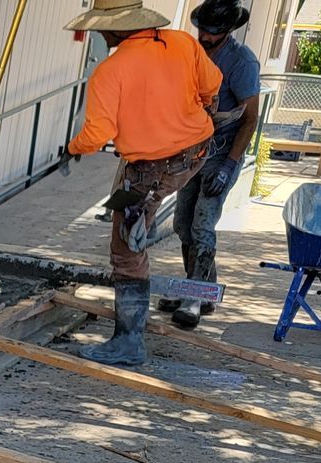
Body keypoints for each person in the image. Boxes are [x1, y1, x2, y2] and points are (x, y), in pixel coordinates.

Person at [62, 0, 221, 365]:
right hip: (195, 151)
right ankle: (125, 227)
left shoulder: (110, 70)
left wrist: (71, 149)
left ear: (119, 28)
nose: (99, 33)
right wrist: (200, 108)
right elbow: (212, 84)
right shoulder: (181, 42)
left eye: (102, 26)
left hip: (152, 168)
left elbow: (97, 132)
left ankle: (128, 342)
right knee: (122, 211)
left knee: (126, 250)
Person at [162, 0, 260, 330]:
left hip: (221, 152)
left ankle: (194, 297)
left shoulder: (242, 62)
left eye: (212, 32)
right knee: (182, 224)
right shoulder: (195, 53)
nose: (204, 36)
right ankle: (202, 289)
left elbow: (249, 120)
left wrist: (229, 166)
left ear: (228, 30)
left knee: (203, 225)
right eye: (202, 29)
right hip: (193, 149)